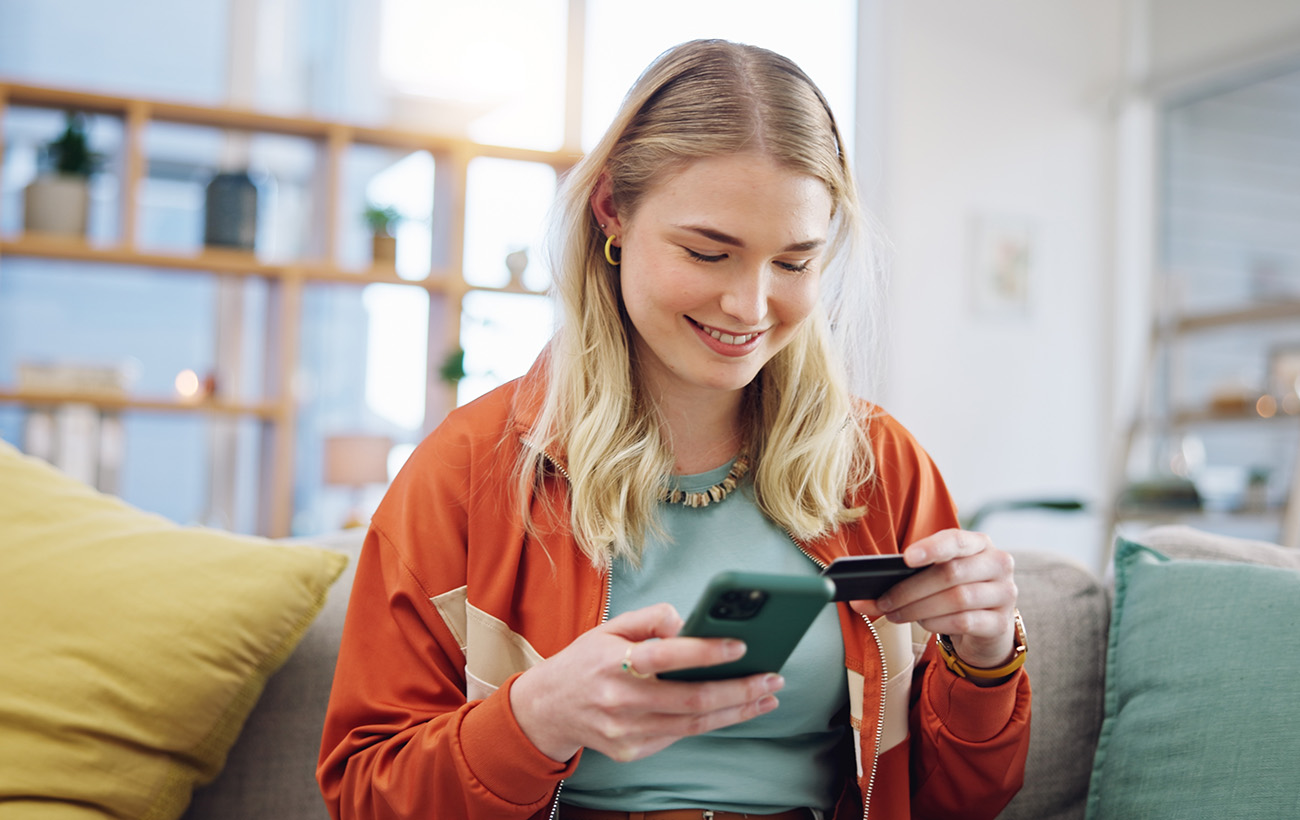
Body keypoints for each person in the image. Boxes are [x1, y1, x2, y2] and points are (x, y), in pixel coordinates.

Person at [317, 38, 1030, 820]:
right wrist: (535, 721)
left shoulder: (880, 466)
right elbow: (363, 797)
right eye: (708, 252)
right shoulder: (468, 470)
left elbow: (959, 804)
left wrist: (985, 658)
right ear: (612, 211)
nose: (751, 307)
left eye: (794, 264)